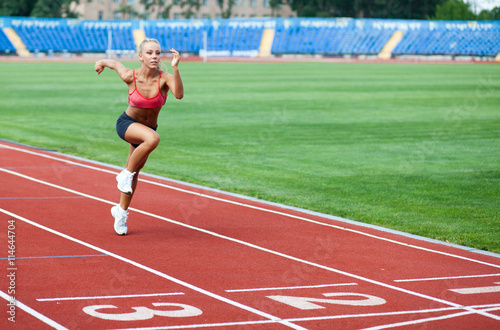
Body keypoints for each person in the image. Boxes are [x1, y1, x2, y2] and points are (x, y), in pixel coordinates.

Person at [94, 38, 184, 235]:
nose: (155, 56)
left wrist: (175, 68)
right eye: (150, 53)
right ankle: (124, 174)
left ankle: (121, 212)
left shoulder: (165, 78)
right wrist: (101, 62)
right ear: (140, 56)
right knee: (153, 140)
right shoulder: (130, 76)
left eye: (158, 53)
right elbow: (115, 64)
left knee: (135, 172)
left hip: (147, 129)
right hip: (127, 125)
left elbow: (178, 95)